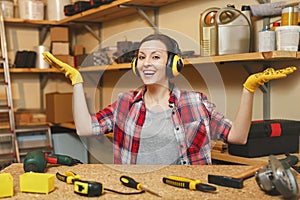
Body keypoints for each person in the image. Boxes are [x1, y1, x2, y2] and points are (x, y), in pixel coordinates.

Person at [43, 33, 296, 165]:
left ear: (174, 63)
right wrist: (76, 82)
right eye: (141, 57)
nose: (146, 63)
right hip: (138, 191)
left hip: (186, 191)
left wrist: (248, 90)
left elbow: (238, 137)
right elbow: (85, 128)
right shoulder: (124, 103)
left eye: (155, 56)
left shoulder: (195, 103)